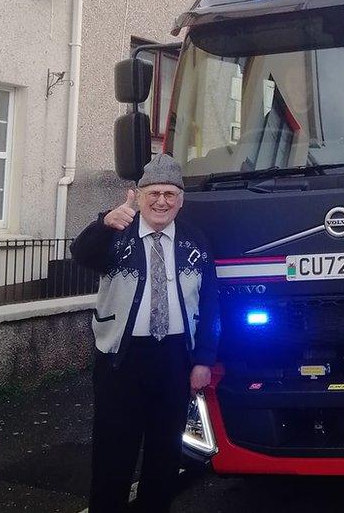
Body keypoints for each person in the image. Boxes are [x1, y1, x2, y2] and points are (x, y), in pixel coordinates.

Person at [71, 154, 220, 512]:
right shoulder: (116, 233)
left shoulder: (194, 242)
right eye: (153, 192)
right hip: (120, 361)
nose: (161, 201)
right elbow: (81, 254)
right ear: (137, 195)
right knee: (112, 455)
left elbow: (211, 303)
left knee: (165, 455)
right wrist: (104, 224)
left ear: (180, 200)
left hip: (173, 360)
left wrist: (203, 360)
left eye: (170, 193)